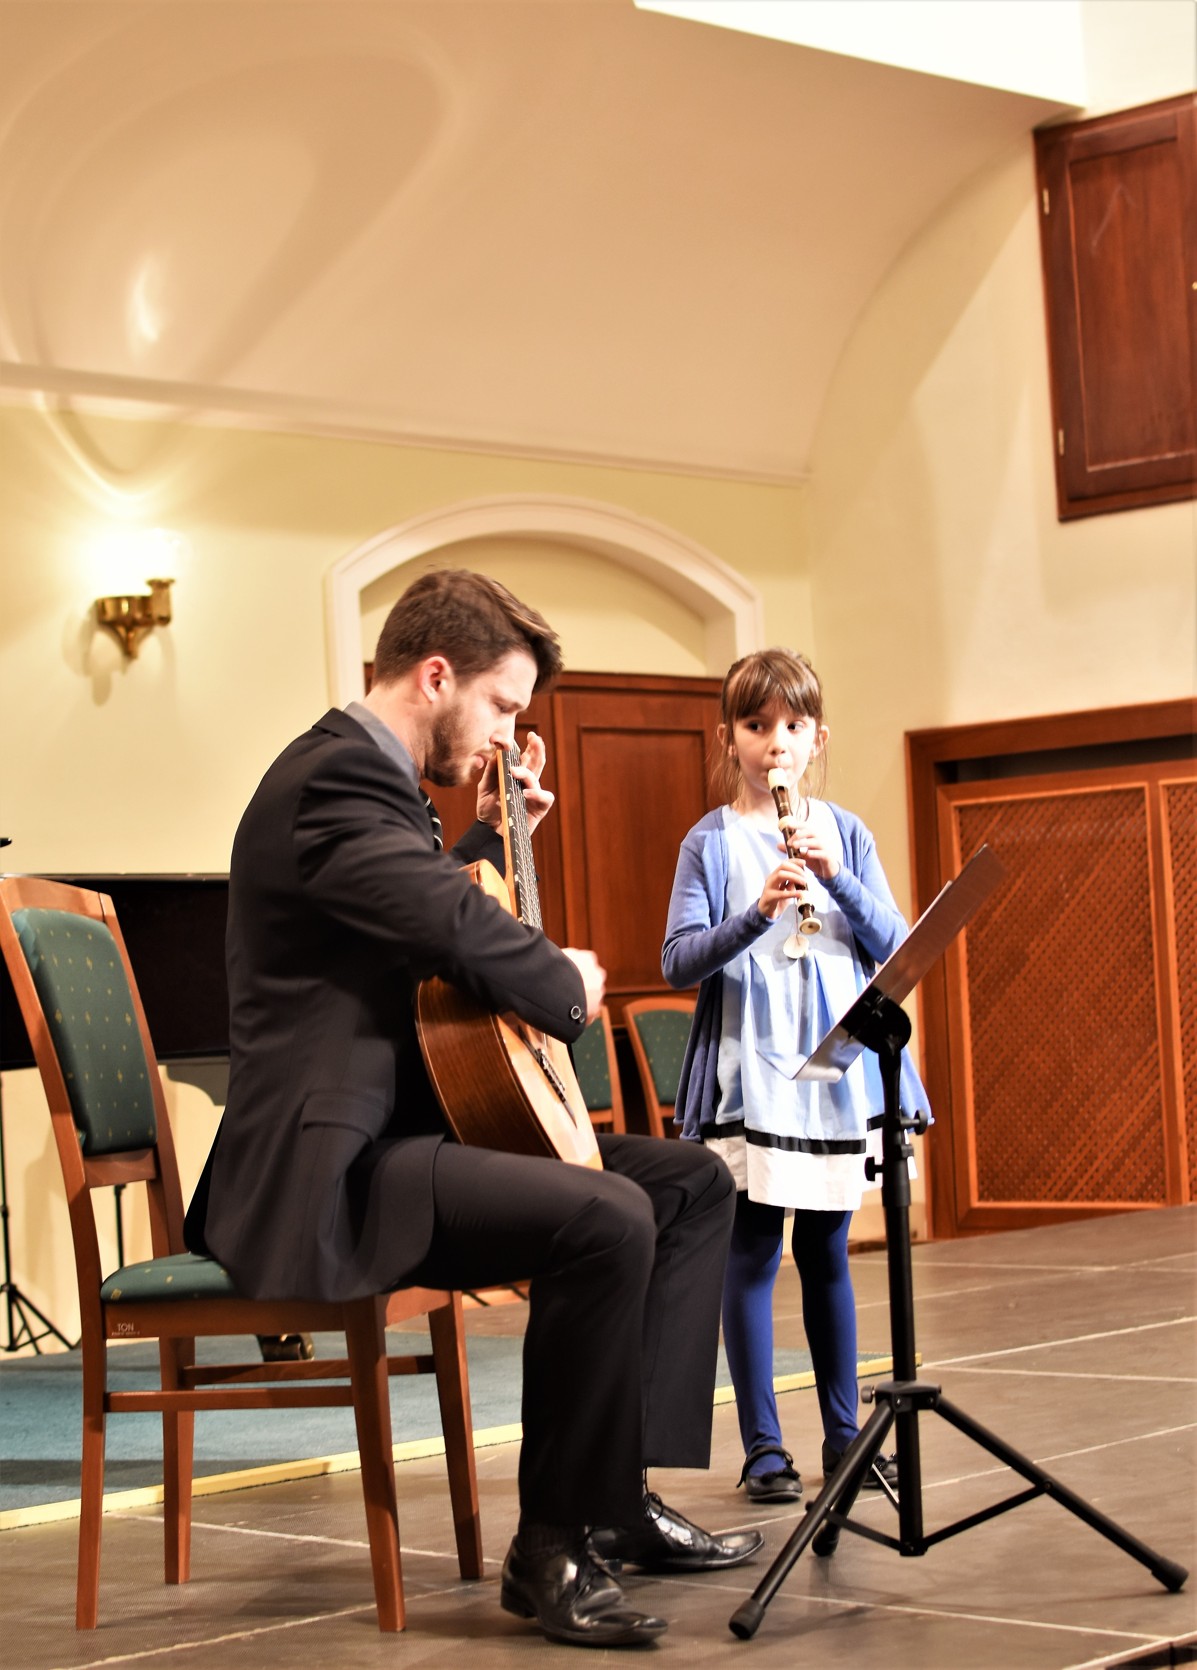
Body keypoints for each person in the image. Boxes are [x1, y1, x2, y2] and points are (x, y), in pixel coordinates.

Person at [185, 568, 762, 1649]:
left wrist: (495, 839)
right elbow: (446, 926)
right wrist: (564, 982)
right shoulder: (334, 778)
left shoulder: (377, 785)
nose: (506, 735)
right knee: (605, 1215)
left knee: (688, 1183)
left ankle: (615, 1497)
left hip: (401, 1135)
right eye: (502, 705)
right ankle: (549, 1546)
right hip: (335, 1170)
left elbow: (412, 912)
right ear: (436, 675)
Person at [661, 647, 927, 1506]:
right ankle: (763, 1449)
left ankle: (846, 1436)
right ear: (728, 738)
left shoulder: (844, 832)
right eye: (755, 724)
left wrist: (833, 877)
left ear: (817, 738)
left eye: (792, 725)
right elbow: (677, 961)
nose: (775, 741)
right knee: (749, 1252)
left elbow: (895, 944)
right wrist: (757, 912)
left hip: (832, 1066)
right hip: (751, 1068)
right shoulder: (708, 841)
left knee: (825, 1250)